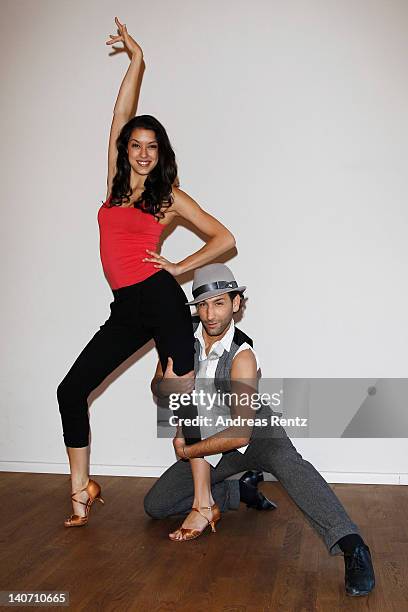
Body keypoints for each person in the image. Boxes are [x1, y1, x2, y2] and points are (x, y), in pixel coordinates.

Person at [56, 18, 235, 528]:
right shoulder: (114, 190)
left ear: (160, 154)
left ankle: (204, 504)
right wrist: (136, 61)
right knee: (72, 390)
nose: (141, 152)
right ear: (126, 150)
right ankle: (81, 489)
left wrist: (178, 267)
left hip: (161, 299)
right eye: (135, 144)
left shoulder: (168, 199)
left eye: (151, 147)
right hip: (127, 308)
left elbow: (225, 238)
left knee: (180, 400)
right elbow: (120, 113)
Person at [145, 263, 376, 597]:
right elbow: (159, 389)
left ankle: (354, 548)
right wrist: (166, 386)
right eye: (203, 304)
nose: (210, 313)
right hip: (211, 445)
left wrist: (188, 450)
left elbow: (240, 433)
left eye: (220, 302)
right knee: (156, 505)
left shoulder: (243, 355)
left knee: (291, 467)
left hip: (253, 435)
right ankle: (240, 492)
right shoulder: (180, 338)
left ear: (236, 303)